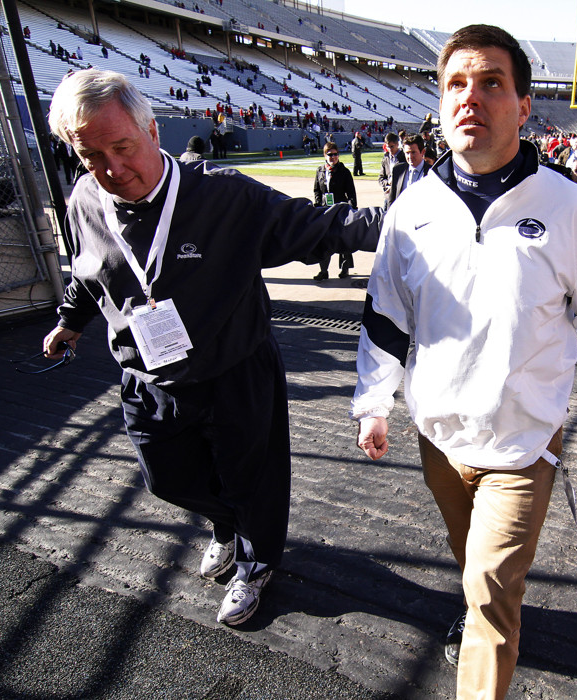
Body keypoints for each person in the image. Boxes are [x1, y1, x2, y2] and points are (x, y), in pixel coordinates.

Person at [350, 25, 577, 700]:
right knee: (477, 571)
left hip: (521, 447)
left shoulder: (571, 208)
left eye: (491, 82)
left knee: (489, 594)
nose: (471, 97)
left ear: (522, 105)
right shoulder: (413, 210)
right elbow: (386, 317)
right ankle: (484, 601)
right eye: (456, 83)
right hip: (438, 440)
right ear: (439, 102)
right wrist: (374, 402)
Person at [42, 69, 382, 626]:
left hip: (234, 370)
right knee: (166, 479)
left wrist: (420, 224)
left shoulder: (224, 195)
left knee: (254, 479)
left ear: (153, 131)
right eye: (91, 156)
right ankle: (233, 525)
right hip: (147, 376)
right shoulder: (86, 198)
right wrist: (70, 321)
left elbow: (326, 226)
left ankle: (256, 561)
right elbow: (89, 271)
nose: (113, 169)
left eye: (123, 147)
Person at [313, 142, 358, 280]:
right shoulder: (320, 171)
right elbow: (317, 190)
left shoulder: (344, 172)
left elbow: (351, 193)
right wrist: (317, 204)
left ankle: (345, 268)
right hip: (325, 211)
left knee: (343, 239)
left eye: (335, 154)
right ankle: (323, 270)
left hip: (340, 209)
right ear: (325, 155)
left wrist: (352, 209)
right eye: (330, 154)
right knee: (324, 240)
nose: (333, 157)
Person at [384, 133, 430, 208]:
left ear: (423, 152)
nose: (410, 156)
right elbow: (391, 200)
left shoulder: (432, 172)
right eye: (407, 153)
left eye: (413, 152)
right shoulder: (398, 170)